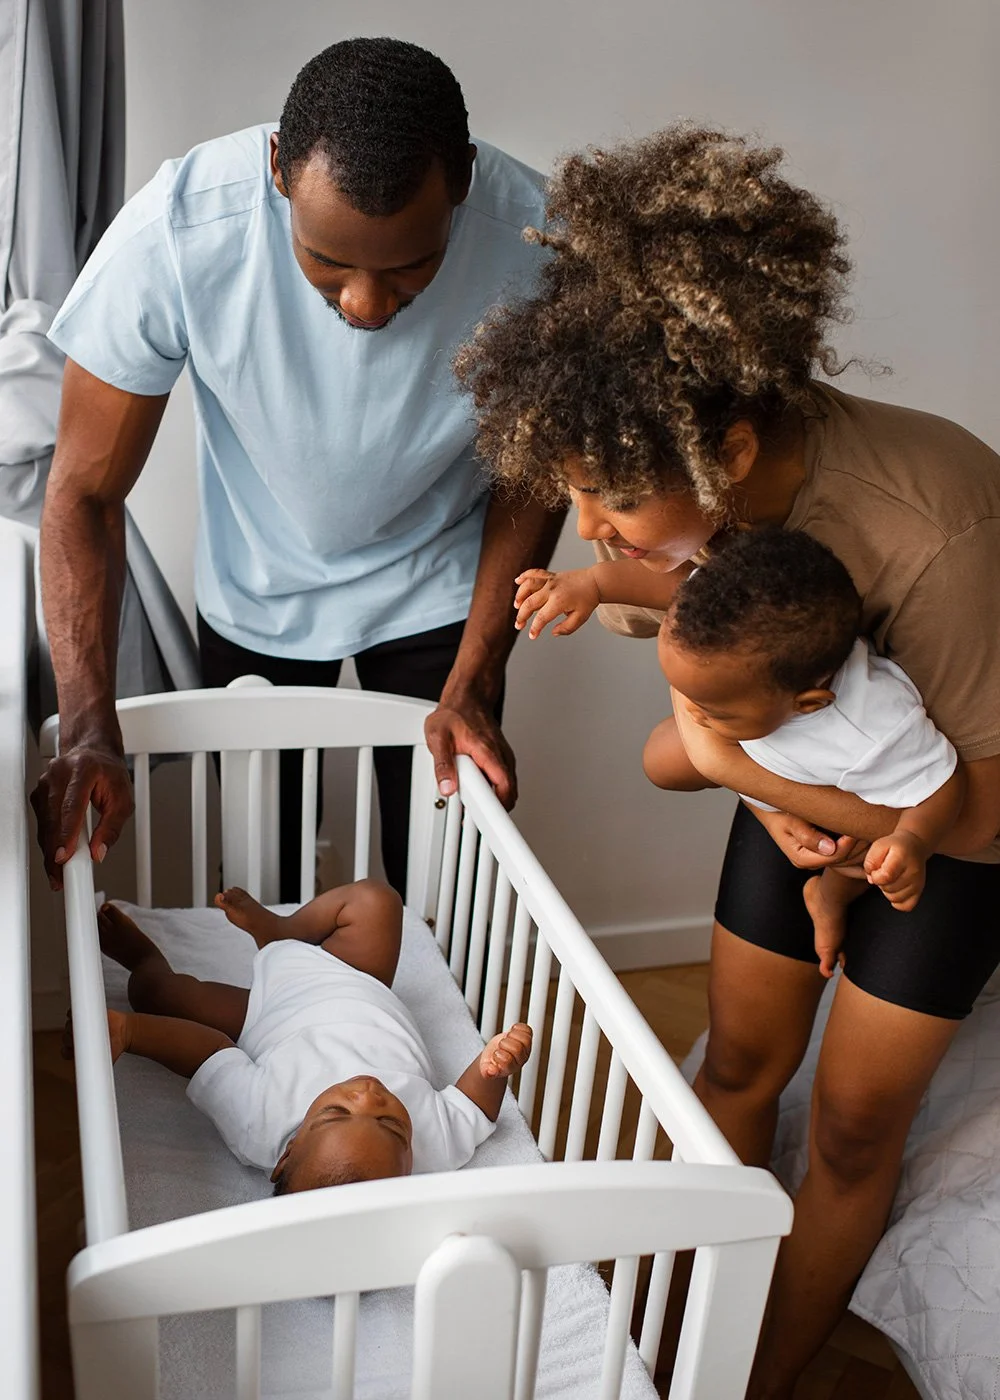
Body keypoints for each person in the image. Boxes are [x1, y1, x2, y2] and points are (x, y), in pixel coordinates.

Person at [454, 125, 1000, 1398]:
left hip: (952, 824)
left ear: (732, 456)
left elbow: (972, 792)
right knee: (741, 1062)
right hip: (797, 786)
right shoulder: (685, 527)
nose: (590, 530)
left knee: (857, 1126)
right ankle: (666, 1324)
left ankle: (753, 1378)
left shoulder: (933, 527)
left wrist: (773, 794)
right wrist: (766, 793)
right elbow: (705, 729)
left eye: (609, 504)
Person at [31, 37, 562, 902]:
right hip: (260, 584)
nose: (365, 303)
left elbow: (535, 471)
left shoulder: (539, 244)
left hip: (441, 582)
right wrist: (87, 726)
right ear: (278, 171)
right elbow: (85, 492)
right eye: (327, 261)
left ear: (461, 182)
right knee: (258, 871)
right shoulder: (181, 228)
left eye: (408, 267)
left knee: (447, 875)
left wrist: (482, 669)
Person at [516, 527, 965, 976]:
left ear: (807, 704)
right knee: (659, 760)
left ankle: (827, 898)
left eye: (717, 710)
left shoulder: (875, 730)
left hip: (834, 791)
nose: (693, 711)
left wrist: (912, 841)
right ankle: (767, 802)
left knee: (860, 862)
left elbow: (942, 785)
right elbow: (677, 584)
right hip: (772, 758)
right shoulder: (725, 615)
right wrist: (592, 583)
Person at [94, 880, 532, 1194]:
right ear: (410, 1167)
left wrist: (133, 1032)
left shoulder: (259, 1122)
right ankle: (281, 932)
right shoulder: (432, 1147)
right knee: (377, 901)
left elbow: (209, 1051)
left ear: (287, 1153)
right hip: (360, 980)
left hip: (264, 1014)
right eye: (391, 1125)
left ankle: (143, 957)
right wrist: (494, 1066)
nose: (367, 1096)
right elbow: (473, 1108)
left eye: (335, 1113)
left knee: (157, 993)